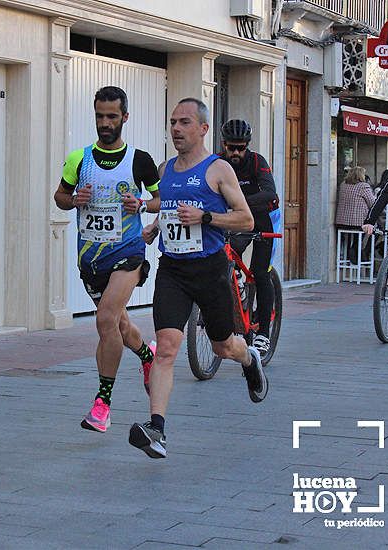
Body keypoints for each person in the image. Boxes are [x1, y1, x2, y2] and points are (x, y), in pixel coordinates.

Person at [131, 98, 267, 459]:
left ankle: (250, 359)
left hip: (209, 270)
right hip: (173, 269)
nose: (175, 128)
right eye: (173, 122)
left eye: (184, 122)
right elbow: (173, 208)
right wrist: (154, 225)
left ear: (203, 129)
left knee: (224, 346)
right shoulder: (165, 169)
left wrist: (206, 217)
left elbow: (246, 220)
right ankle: (156, 429)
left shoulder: (218, 169)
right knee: (166, 348)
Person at [53, 86, 161, 433]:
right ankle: (148, 357)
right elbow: (60, 196)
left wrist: (142, 205)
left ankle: (103, 404)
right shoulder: (79, 159)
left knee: (104, 319)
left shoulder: (140, 160)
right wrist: (74, 200)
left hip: (128, 252)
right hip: (91, 259)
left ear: (124, 118)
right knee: (119, 326)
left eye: (112, 117)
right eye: (100, 116)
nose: (105, 123)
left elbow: (163, 200)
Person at [218, 119, 280, 354]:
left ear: (247, 146)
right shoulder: (217, 162)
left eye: (241, 148)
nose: (235, 152)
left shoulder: (256, 162)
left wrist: (239, 203)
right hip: (233, 220)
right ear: (224, 144)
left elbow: (269, 193)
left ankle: (263, 332)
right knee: (224, 258)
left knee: (261, 273)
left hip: (261, 219)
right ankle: (236, 291)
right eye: (231, 147)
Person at [336, 166, 376, 263]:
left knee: (350, 236)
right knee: (373, 228)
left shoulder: (343, 184)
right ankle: (357, 250)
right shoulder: (363, 186)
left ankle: (350, 251)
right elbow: (373, 203)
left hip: (341, 222)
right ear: (361, 175)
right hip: (357, 223)